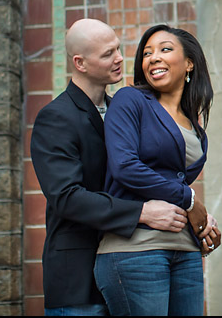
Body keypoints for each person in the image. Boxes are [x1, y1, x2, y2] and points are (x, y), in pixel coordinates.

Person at [31, 19, 191, 316]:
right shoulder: (55, 117)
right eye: (107, 54)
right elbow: (66, 197)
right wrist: (142, 212)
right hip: (79, 283)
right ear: (80, 63)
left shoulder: (124, 109)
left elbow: (151, 175)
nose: (119, 58)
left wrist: (193, 209)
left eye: (118, 49)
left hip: (133, 271)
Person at [94, 24, 222, 316]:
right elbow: (125, 166)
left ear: (189, 63)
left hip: (187, 253)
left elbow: (169, 183)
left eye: (165, 49)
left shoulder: (195, 127)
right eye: (147, 53)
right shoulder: (131, 100)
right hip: (135, 252)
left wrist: (202, 220)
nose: (153, 58)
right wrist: (190, 200)